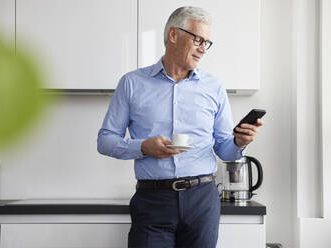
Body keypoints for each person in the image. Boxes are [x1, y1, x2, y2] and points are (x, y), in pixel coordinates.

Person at [97, 6, 263, 248]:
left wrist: (239, 143)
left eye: (207, 42)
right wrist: (143, 146)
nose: (203, 49)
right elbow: (105, 140)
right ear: (173, 35)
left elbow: (225, 150)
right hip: (152, 201)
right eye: (198, 39)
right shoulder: (132, 83)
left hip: (202, 200)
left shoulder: (214, 87)